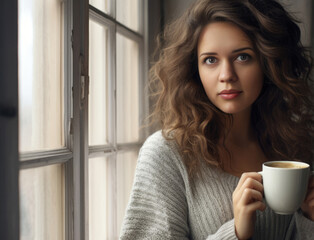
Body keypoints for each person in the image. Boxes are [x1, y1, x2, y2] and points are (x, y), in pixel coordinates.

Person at [120, 0, 314, 239]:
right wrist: (235, 232)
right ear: (194, 69)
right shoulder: (165, 154)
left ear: (267, 62)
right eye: (210, 60)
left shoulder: (296, 150)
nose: (227, 76)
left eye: (242, 57)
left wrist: (309, 220)